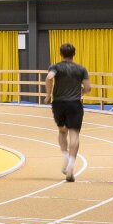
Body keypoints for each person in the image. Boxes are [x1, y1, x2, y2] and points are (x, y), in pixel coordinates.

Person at [42, 42, 90, 182]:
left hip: (59, 103)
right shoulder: (81, 69)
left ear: (60, 54)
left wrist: (48, 94)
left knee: (62, 131)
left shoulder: (55, 67)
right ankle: (71, 165)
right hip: (75, 103)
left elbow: (49, 77)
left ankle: (65, 156)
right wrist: (80, 92)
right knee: (74, 133)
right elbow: (88, 88)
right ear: (74, 54)